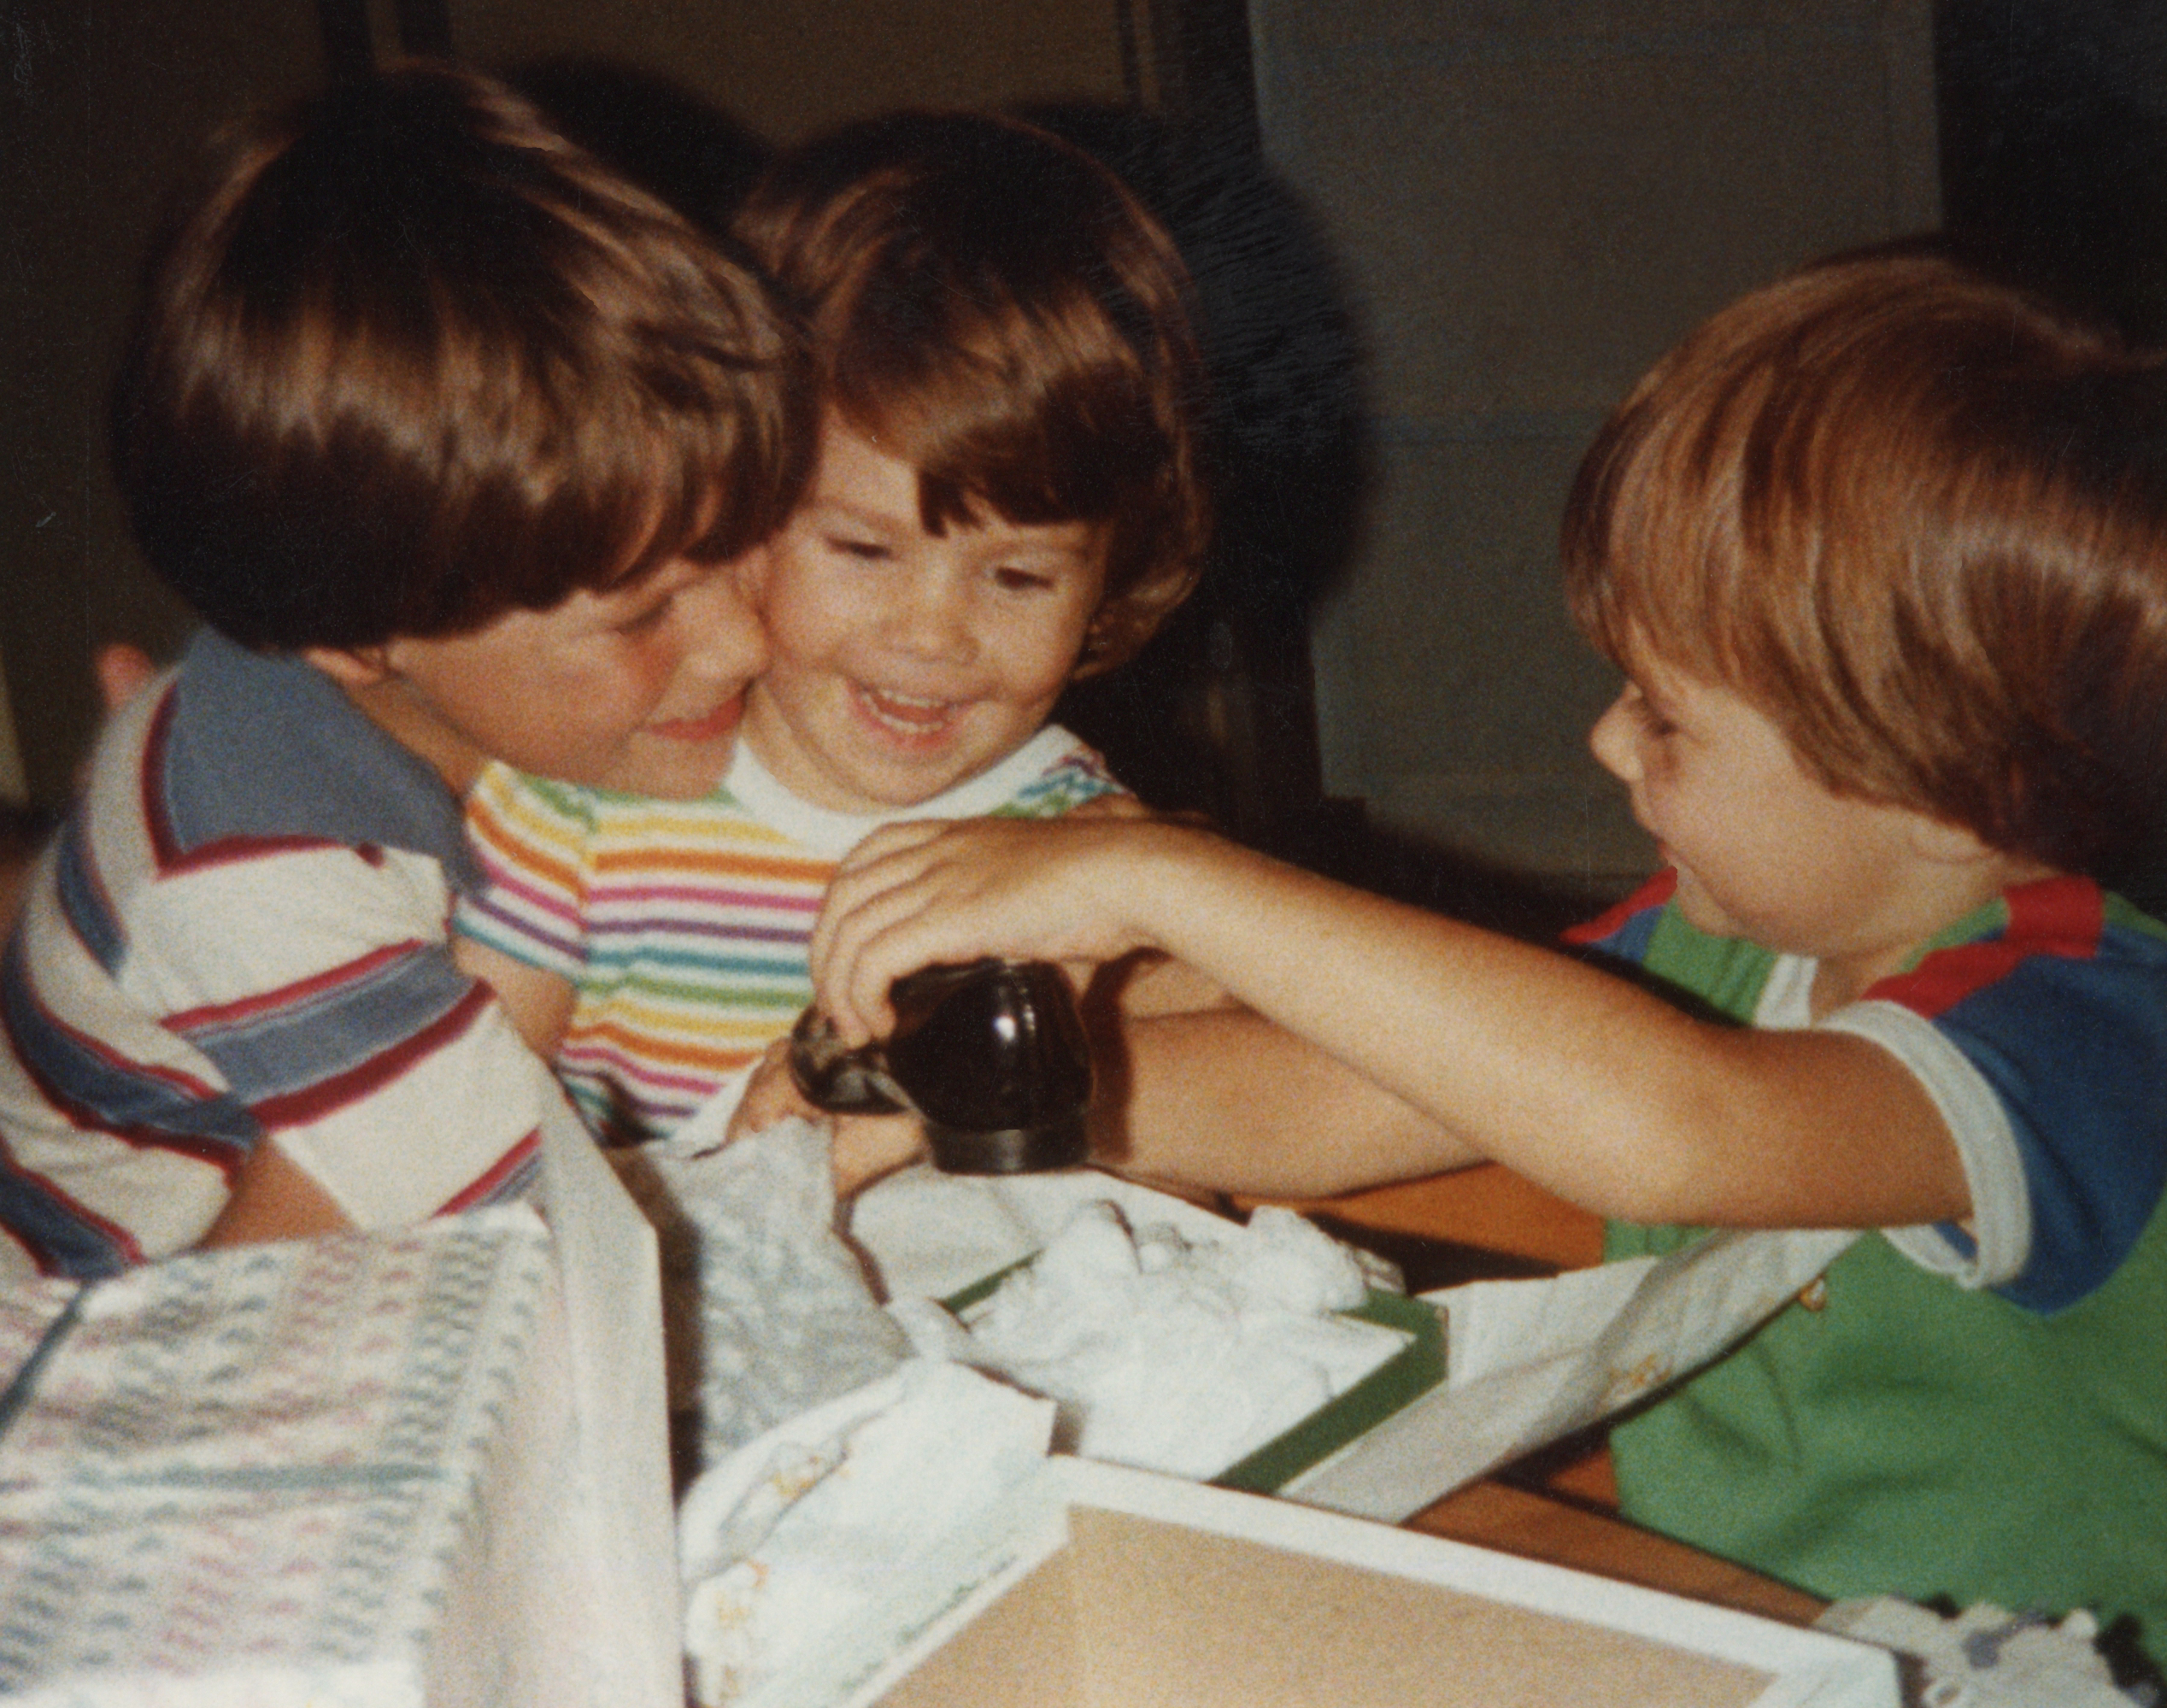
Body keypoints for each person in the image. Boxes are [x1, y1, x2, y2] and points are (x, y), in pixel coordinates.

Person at [802, 252, 2167, 1653]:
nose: (1608, 739)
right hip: (1746, 1639)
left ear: (1947, 787)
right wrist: (946, 1104)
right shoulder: (1714, 948)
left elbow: (1678, 1131)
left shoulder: (2085, 1025)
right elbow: (1333, 1096)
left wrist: (1161, 874)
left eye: (1667, 716)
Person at [0, 62, 810, 1279]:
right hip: (105, 1324)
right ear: (358, 629)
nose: (744, 640)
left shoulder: (413, 690)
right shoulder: (262, 877)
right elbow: (476, 1228)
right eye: (644, 611)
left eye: (744, 532)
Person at [452, 110, 1213, 1145]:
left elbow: (1194, 1125)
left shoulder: (1076, 844)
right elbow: (469, 1134)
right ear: (740, 508)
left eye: (1019, 576)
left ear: (1109, 582)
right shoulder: (583, 789)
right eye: (862, 549)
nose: (932, 635)